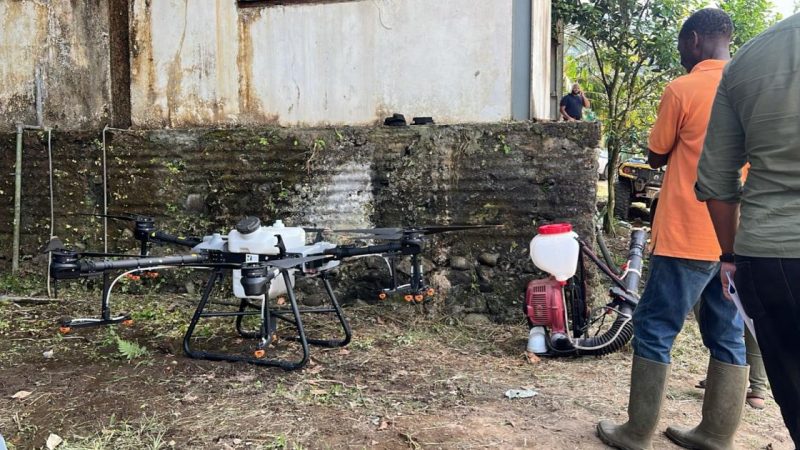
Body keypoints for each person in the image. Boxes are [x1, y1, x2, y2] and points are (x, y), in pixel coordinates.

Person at [596, 9, 748, 450]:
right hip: (735, 238)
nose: (682, 53)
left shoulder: (683, 88)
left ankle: (637, 431)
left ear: (695, 39)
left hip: (686, 231)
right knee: (727, 331)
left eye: (683, 45)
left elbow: (657, 153)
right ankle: (717, 435)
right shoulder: (749, 85)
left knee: (656, 326)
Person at [695, 11, 800, 448]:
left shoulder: (754, 57)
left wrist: (730, 255)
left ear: (696, 42)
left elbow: (717, 179)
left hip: (773, 254)